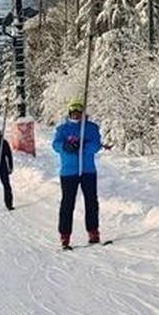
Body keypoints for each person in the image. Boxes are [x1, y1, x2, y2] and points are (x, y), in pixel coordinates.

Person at [52, 99, 103, 249]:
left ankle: (93, 232)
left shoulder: (91, 128)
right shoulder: (62, 129)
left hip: (88, 171)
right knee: (67, 203)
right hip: (69, 172)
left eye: (79, 113)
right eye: (73, 113)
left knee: (91, 202)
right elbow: (56, 145)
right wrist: (66, 146)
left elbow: (96, 145)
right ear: (69, 114)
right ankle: (65, 235)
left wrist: (82, 147)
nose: (76, 116)